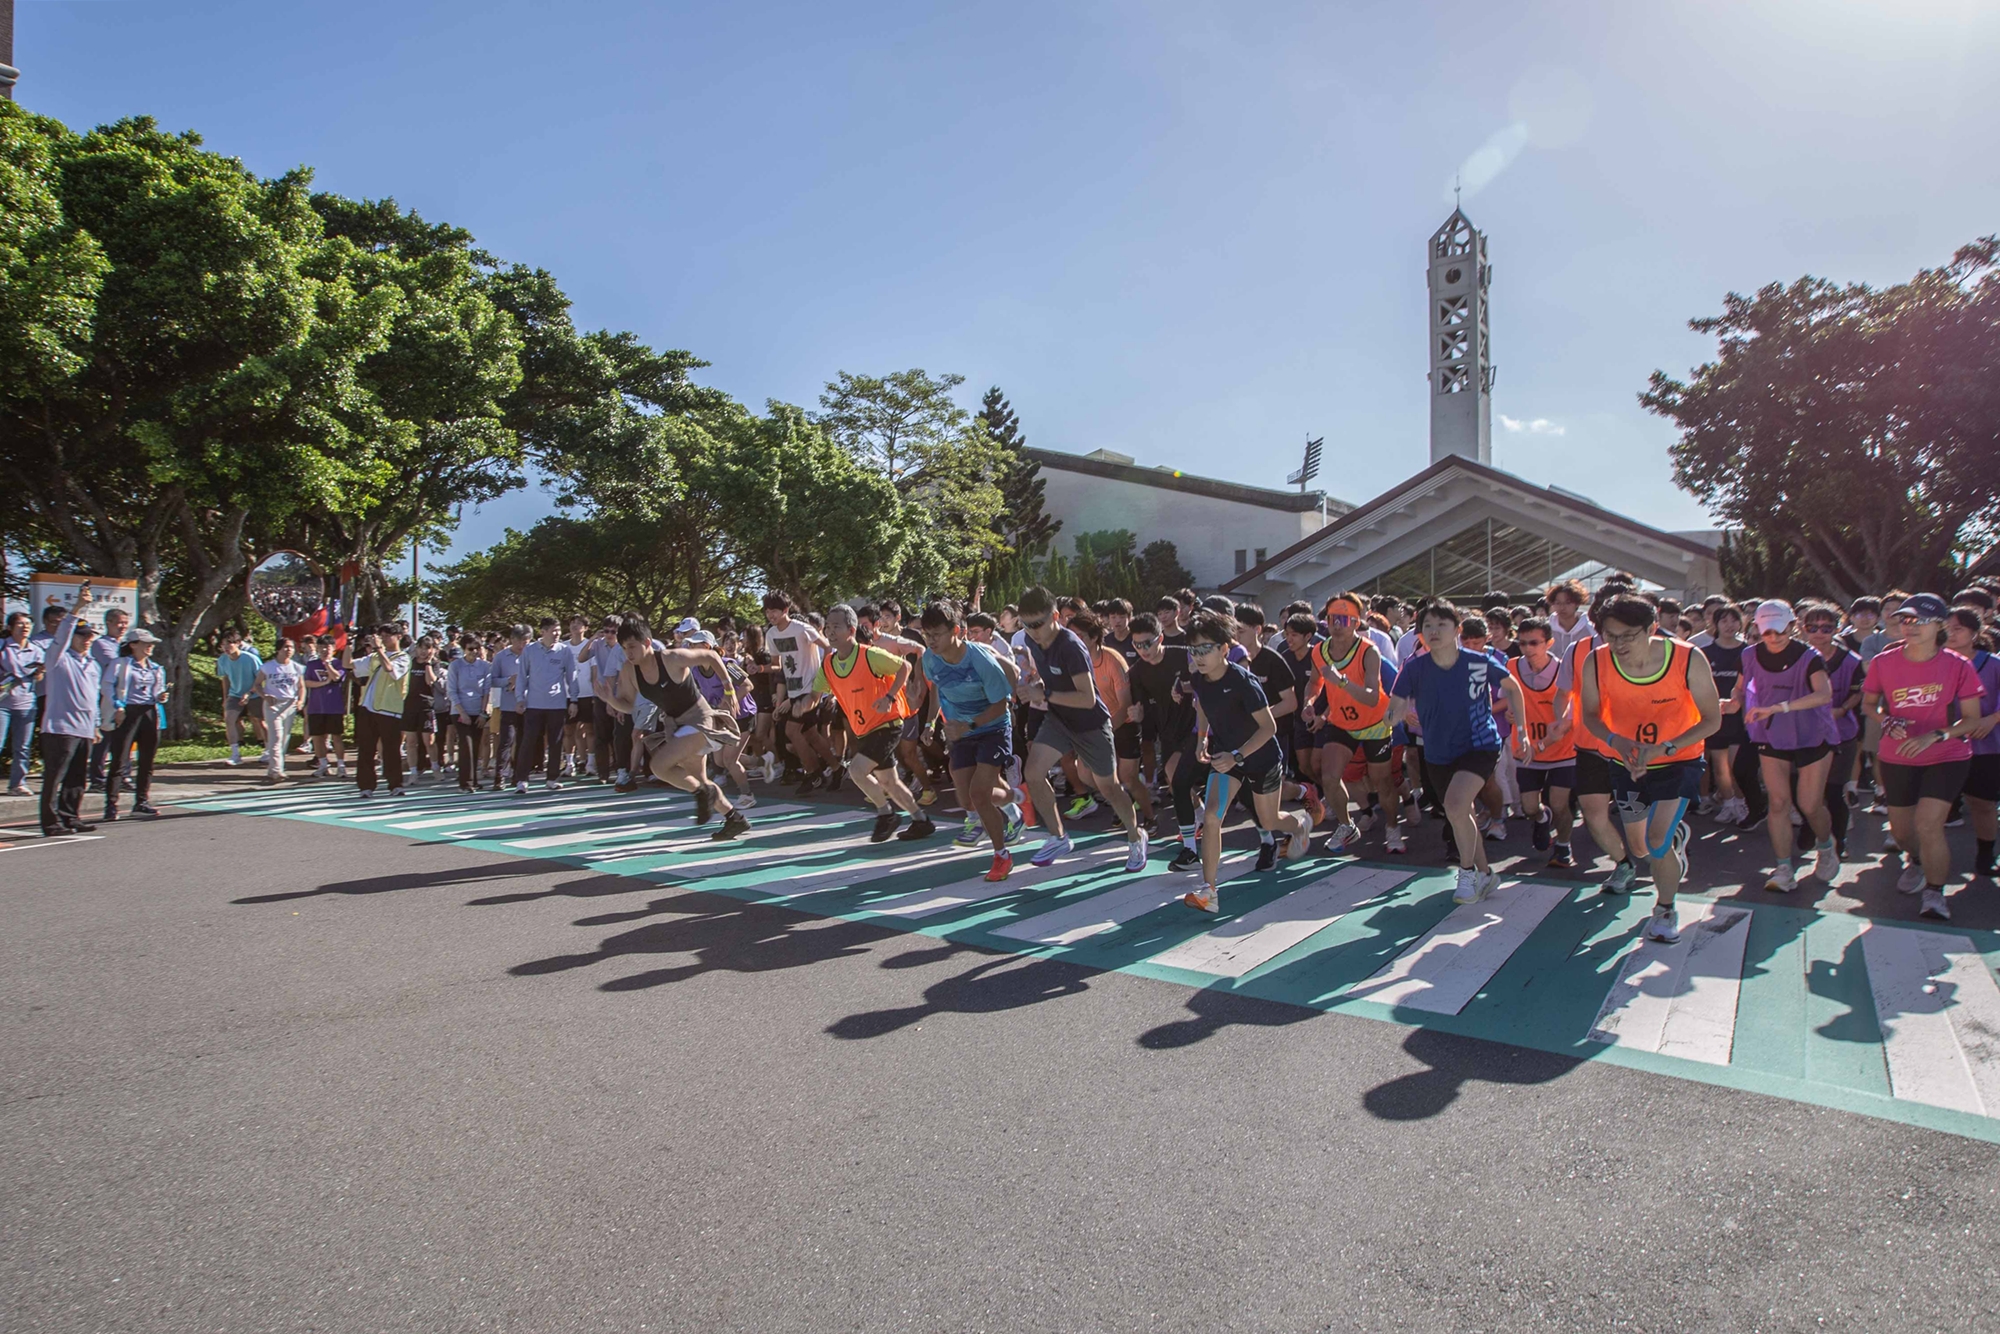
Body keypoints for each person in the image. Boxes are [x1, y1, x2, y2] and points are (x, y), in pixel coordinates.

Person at [1578, 595, 1722, 942]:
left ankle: (1665, 909)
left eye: (1628, 635)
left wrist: (1666, 746)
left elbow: (1712, 719)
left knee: (1656, 842)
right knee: (1641, 849)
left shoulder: (1687, 657)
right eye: (1610, 636)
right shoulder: (1596, 662)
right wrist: (1618, 742)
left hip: (1678, 759)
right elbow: (1591, 716)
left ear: (1652, 629)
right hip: (1625, 762)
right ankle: (1673, 842)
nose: (1619, 644)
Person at [1393, 600, 1529, 906]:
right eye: (1428, 625)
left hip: (1479, 745)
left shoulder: (1478, 662)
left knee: (1455, 805)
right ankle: (1485, 873)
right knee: (1460, 814)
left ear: (1457, 629)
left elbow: (1512, 688)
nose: (1434, 631)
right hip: (1438, 751)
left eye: (1442, 625)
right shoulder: (1414, 667)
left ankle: (1466, 873)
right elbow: (1396, 704)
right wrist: (1397, 715)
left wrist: (1523, 731)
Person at [1181, 611, 1313, 913]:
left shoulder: (1243, 681)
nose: (1198, 657)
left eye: (1205, 649)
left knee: (1269, 820)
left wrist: (1237, 755)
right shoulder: (1198, 678)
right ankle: (1209, 891)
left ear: (1224, 649)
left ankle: (1301, 825)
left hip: (1261, 756)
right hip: (1227, 757)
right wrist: (1203, 737)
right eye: (1193, 650)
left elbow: (1269, 728)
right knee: (1213, 816)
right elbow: (1202, 706)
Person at [1862, 593, 1985, 920]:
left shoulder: (1958, 665)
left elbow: (1972, 719)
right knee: (1902, 832)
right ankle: (1916, 861)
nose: (1910, 626)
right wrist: (1884, 719)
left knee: (1929, 824)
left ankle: (1934, 893)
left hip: (1946, 754)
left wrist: (1939, 734)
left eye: (1919, 620)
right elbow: (1868, 705)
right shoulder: (1883, 662)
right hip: (1898, 755)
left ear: (1939, 625)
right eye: (1905, 619)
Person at [1015, 585, 1149, 873]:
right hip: (1059, 719)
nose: (1033, 631)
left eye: (1038, 624)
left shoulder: (1071, 646)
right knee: (1033, 773)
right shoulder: (1031, 638)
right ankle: (1058, 836)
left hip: (1090, 723)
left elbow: (1087, 698)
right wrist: (1036, 687)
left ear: (1054, 616)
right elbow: (1050, 678)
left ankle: (1136, 837)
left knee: (1109, 787)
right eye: (1026, 624)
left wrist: (1045, 695)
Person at [612, 616, 751, 839]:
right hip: (676, 726)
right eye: (624, 648)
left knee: (659, 766)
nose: (628, 653)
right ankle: (734, 819)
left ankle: (703, 793)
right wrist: (608, 698)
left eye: (632, 647)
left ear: (647, 642)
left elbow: (711, 655)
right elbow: (628, 705)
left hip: (699, 720)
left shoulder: (671, 657)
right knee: (701, 780)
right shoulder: (630, 671)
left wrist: (728, 689)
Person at [811, 606, 934, 842]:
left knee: (856, 770)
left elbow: (904, 667)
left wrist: (888, 698)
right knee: (890, 781)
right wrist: (802, 704)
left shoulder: (870, 655)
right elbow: (814, 694)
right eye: (827, 626)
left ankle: (886, 814)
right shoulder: (828, 664)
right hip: (865, 728)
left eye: (836, 626)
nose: (830, 631)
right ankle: (921, 821)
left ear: (851, 630)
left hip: (888, 723)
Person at [1739, 600, 1839, 891]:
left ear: (1793, 626)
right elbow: (1741, 687)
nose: (1774, 637)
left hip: (1812, 733)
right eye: (1767, 631)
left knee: (1809, 804)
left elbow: (1823, 695)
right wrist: (1732, 702)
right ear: (1758, 629)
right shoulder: (1749, 655)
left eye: (1780, 630)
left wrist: (1779, 707)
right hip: (1771, 734)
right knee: (1779, 802)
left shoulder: (1809, 656)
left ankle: (1825, 845)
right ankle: (1783, 868)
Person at [920, 603, 1023, 879]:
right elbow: (936, 689)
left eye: (937, 634)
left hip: (992, 728)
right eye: (926, 634)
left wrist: (969, 725)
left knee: (979, 794)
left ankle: (1002, 855)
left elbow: (1001, 706)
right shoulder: (930, 658)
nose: (931, 641)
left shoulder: (980, 660)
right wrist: (931, 722)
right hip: (960, 731)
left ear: (956, 631)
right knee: (967, 798)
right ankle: (1014, 798)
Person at [1306, 594, 1398, 855]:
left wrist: (1341, 681)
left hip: (1374, 723)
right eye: (1334, 618)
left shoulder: (1369, 651)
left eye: (1345, 619)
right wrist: (1309, 702)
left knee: (1382, 782)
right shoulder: (1320, 650)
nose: (1338, 624)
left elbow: (1371, 697)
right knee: (1330, 776)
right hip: (1341, 722)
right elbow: (1315, 682)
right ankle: (1347, 825)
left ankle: (1392, 827)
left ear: (1356, 623)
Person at [1510, 617, 1578, 868]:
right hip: (1525, 751)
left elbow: (1569, 718)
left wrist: (1541, 744)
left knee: (1560, 804)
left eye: (1534, 643)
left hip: (1561, 751)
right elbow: (1507, 698)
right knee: (1529, 807)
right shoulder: (1512, 666)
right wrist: (1510, 713)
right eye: (1522, 643)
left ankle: (1563, 847)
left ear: (1549, 643)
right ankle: (1541, 818)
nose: (1527, 648)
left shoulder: (1564, 670)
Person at [37, 590, 105, 835]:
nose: (86, 639)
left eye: (89, 636)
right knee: (55, 777)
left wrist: (95, 725)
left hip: (84, 728)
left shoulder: (93, 665)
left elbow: (93, 698)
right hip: (60, 728)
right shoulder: (58, 659)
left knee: (77, 778)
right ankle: (51, 822)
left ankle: (70, 816)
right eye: (81, 635)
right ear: (72, 637)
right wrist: (77, 608)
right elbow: (61, 637)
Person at [1804, 605, 1866, 858]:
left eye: (1826, 628)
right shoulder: (1797, 656)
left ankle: (1839, 840)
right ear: (1802, 628)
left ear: (1836, 629)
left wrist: (1842, 708)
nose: (1819, 633)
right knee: (1804, 789)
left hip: (1841, 732)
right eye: (1813, 628)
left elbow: (1859, 691)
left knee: (1833, 789)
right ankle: (1811, 831)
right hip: (1804, 733)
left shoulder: (1851, 660)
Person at [763, 592, 837, 794]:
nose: (771, 615)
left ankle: (813, 773)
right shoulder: (770, 635)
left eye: (774, 611)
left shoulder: (803, 628)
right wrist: (760, 669)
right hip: (793, 690)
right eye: (768, 611)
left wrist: (823, 676)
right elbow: (778, 666)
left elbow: (828, 647)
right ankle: (837, 768)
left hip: (811, 690)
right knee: (811, 734)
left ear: (785, 610)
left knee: (791, 731)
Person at [1946, 607, 2000, 878]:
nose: (1951, 634)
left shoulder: (1993, 664)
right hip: (1941, 744)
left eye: (1958, 629)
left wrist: (1992, 719)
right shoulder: (1935, 662)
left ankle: (1986, 853)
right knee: (1932, 806)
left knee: (1983, 803)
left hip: (1985, 745)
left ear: (1974, 633)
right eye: (1947, 628)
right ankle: (1921, 859)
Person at [100, 627, 168, 819]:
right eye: (145, 643)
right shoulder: (120, 664)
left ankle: (141, 801)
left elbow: (157, 692)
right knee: (119, 759)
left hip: (149, 711)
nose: (150, 647)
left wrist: (161, 696)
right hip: (127, 711)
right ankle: (111, 804)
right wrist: (117, 706)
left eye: (151, 643)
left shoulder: (155, 667)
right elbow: (107, 685)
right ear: (132, 645)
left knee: (147, 760)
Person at [344, 624, 411, 798]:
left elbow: (391, 670)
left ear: (398, 636)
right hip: (368, 707)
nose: (384, 638)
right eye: (382, 635)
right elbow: (348, 664)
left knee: (391, 750)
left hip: (390, 709)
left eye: (388, 635)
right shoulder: (373, 657)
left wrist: (379, 650)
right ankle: (366, 786)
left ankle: (395, 784)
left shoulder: (403, 657)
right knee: (366, 749)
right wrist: (348, 644)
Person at [1699, 605, 1750, 824]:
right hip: (1715, 716)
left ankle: (1742, 802)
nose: (1729, 625)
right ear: (1715, 624)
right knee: (1719, 765)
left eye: (1734, 620)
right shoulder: (1705, 653)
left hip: (1741, 718)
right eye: (1724, 621)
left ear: (1741, 623)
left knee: (1735, 765)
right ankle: (1729, 804)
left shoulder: (1749, 652)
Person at [512, 618, 575, 794]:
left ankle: (552, 778)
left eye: (558, 631)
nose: (557, 634)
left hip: (557, 704)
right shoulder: (530, 650)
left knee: (556, 742)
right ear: (543, 632)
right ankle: (522, 779)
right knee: (528, 741)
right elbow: (522, 675)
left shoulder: (564, 651)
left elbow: (572, 677)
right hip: (534, 704)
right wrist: (519, 698)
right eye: (553, 630)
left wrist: (574, 700)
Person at [85, 605, 130, 792]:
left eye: (125, 623)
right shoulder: (101, 644)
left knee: (124, 738)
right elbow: (117, 665)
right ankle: (97, 778)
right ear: (108, 623)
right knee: (105, 738)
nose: (122, 626)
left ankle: (123, 776)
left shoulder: (126, 644)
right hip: (107, 696)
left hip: (125, 697)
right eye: (119, 623)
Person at [2, 610, 44, 795]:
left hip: (26, 702)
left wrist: (39, 672)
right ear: (10, 628)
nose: (25, 627)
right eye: (20, 624)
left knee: (22, 746)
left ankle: (17, 784)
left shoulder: (36, 650)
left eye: (28, 624)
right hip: (3, 703)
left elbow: (40, 675)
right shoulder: (3, 646)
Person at [253, 638, 307, 781]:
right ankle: (278, 770)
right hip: (273, 705)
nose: (288, 650)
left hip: (290, 705)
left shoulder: (297, 667)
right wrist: (265, 695)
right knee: (276, 736)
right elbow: (257, 684)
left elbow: (301, 687)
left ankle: (272, 769)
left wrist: (301, 701)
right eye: (285, 647)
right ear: (278, 649)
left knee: (284, 738)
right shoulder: (268, 667)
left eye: (291, 647)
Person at [448, 635, 495, 794]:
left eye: (477, 648)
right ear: (463, 649)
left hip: (478, 711)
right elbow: (452, 691)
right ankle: (465, 782)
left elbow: (486, 691)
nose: (474, 652)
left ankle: (474, 779)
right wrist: (462, 712)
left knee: (476, 745)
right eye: (470, 649)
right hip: (461, 711)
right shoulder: (456, 666)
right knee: (465, 745)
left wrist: (483, 713)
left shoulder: (484, 666)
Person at [299, 635, 348, 780]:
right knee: (318, 737)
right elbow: (306, 682)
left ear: (334, 648)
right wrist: (323, 683)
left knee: (336, 737)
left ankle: (341, 765)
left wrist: (328, 665)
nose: (325, 650)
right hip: (316, 706)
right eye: (322, 647)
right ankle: (323, 765)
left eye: (328, 647)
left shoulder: (339, 663)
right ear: (318, 648)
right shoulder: (312, 664)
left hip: (334, 707)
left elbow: (337, 677)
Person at [215, 631, 264, 766]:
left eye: (229, 643)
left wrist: (249, 693)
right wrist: (225, 698)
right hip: (234, 694)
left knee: (261, 722)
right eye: (223, 644)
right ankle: (235, 754)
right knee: (229, 720)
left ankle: (269, 751)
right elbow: (225, 678)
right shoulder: (222, 660)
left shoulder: (250, 658)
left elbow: (260, 679)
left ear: (237, 644)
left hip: (255, 694)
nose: (226, 647)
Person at [490, 626, 528, 793]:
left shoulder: (533, 655)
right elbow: (492, 680)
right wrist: (508, 681)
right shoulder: (501, 657)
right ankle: (500, 776)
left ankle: (518, 776)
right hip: (508, 705)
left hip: (528, 704)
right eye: (519, 640)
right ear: (512, 639)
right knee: (506, 741)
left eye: (526, 641)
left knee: (523, 742)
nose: (522, 645)